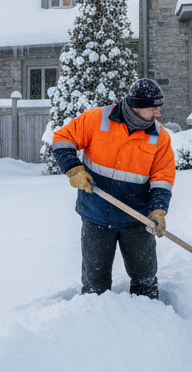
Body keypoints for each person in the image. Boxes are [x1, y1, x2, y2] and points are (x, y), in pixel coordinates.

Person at [51, 78, 175, 299]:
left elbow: (162, 178)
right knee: (94, 285)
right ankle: (95, 324)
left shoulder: (160, 137)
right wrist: (74, 169)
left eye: (159, 108)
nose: (158, 114)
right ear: (136, 106)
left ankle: (150, 324)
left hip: (136, 219)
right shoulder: (97, 119)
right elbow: (62, 139)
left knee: (145, 279)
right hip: (96, 215)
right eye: (153, 109)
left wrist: (158, 210)